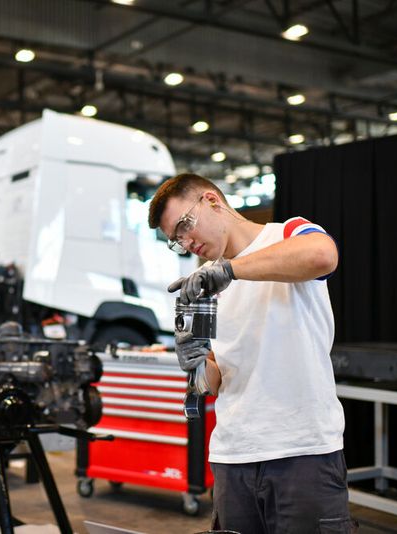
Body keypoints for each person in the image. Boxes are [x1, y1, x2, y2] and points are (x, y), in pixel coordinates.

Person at [147, 173, 355, 533]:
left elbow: (323, 255)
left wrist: (230, 271)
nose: (186, 241)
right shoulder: (203, 284)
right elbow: (213, 381)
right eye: (176, 239)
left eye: (185, 225)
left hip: (302, 451)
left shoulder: (288, 234)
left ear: (212, 201)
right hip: (233, 458)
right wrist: (196, 364)